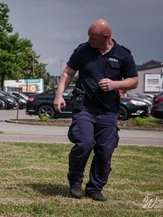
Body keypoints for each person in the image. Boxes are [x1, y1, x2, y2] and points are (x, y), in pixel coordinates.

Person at [53, 19, 138, 202]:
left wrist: (115, 84)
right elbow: (68, 72)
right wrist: (59, 95)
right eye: (89, 36)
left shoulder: (123, 55)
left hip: (108, 111)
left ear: (106, 36)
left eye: (93, 37)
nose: (89, 40)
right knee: (85, 143)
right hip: (84, 107)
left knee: (105, 149)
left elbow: (134, 80)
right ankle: (75, 182)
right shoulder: (83, 50)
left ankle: (95, 188)